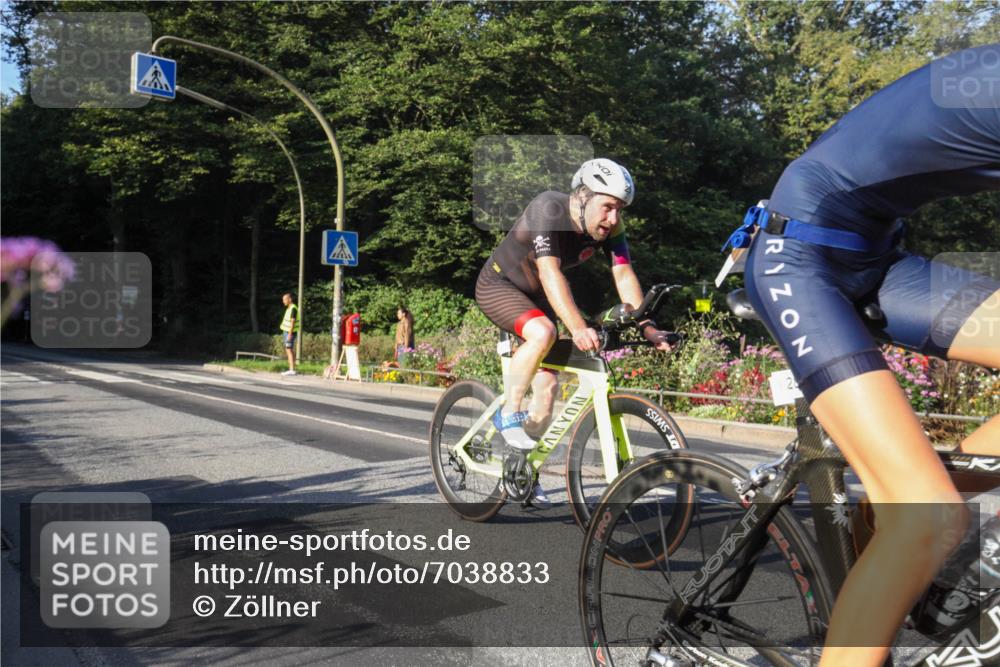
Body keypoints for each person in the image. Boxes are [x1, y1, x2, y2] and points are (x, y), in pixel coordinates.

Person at [731, 45, 999, 665]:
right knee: (929, 519)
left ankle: (893, 503)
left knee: (918, 504)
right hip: (797, 256)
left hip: (879, 259)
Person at [475, 158, 677, 507]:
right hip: (500, 285)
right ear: (582, 197)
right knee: (543, 332)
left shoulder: (611, 227)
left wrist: (648, 328)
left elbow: (624, 276)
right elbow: (551, 274)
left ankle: (521, 467)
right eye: (608, 207)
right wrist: (579, 327)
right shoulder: (549, 209)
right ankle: (508, 411)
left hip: (537, 295)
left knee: (549, 390)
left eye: (620, 209)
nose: (614, 218)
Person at [279, 292, 300, 376]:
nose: (283, 301)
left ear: (290, 299)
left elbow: (292, 322)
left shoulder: (293, 308)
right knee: (289, 349)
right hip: (287, 331)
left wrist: (290, 334)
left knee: (289, 350)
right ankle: (292, 368)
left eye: (285, 299)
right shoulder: (289, 308)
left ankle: (291, 370)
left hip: (289, 332)